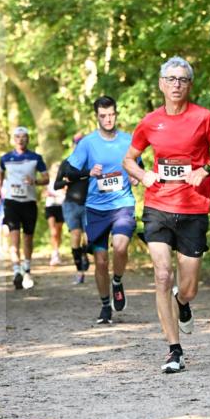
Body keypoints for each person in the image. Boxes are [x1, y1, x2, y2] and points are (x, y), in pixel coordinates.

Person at [123, 56, 210, 374]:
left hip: (194, 208)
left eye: (182, 79)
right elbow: (129, 159)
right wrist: (143, 177)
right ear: (161, 84)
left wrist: (206, 170)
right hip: (158, 206)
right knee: (161, 275)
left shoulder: (204, 118)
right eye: (171, 79)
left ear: (190, 85)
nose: (176, 84)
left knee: (189, 287)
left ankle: (182, 303)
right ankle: (174, 351)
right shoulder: (149, 122)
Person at [69, 98, 141, 323]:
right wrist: (88, 172)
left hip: (122, 204)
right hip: (96, 208)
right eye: (103, 116)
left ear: (116, 114)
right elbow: (70, 173)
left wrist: (135, 176)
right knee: (100, 261)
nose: (108, 119)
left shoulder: (129, 141)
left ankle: (117, 281)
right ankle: (104, 306)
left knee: (120, 248)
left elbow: (139, 169)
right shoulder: (87, 143)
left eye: (111, 115)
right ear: (96, 116)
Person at [0, 126, 49, 290]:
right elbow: (0, 172)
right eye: (17, 137)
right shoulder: (6, 158)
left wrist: (35, 182)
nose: (21, 139)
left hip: (29, 202)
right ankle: (16, 270)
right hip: (12, 202)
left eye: (24, 137)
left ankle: (27, 270)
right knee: (14, 236)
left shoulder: (35, 158)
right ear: (13, 139)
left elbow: (46, 178)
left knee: (28, 238)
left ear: (28, 139)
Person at [54, 134, 90, 284]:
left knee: (90, 239)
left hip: (90, 204)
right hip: (71, 204)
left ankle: (84, 253)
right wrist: (66, 182)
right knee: (75, 235)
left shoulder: (93, 162)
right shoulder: (67, 163)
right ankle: (79, 270)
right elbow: (56, 185)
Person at [44, 162, 66, 266]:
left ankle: (57, 251)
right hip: (50, 207)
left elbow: (66, 192)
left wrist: (58, 193)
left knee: (58, 231)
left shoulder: (63, 181)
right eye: (55, 170)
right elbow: (44, 193)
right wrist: (48, 194)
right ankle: (54, 253)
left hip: (61, 206)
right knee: (53, 231)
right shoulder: (49, 182)